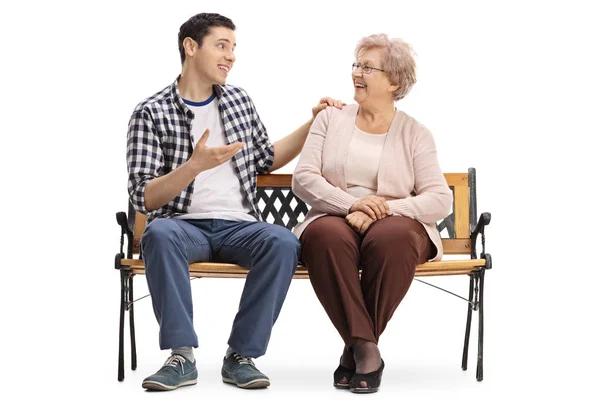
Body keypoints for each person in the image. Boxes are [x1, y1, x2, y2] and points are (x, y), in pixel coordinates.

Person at [126, 12, 342, 391]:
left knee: (283, 242)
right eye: (221, 46)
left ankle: (241, 355)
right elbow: (143, 195)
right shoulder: (150, 112)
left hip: (239, 226)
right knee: (157, 234)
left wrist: (313, 123)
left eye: (234, 48)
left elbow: (265, 159)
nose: (231, 56)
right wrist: (192, 167)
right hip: (182, 226)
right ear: (190, 47)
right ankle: (181, 356)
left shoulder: (239, 101)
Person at [292, 33, 452, 394]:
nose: (356, 74)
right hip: (335, 217)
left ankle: (356, 350)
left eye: (367, 67)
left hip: (395, 223)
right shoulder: (330, 119)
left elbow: (440, 198)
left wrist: (383, 209)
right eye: (356, 65)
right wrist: (350, 204)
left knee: (392, 238)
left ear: (394, 81)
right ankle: (366, 349)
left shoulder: (416, 133)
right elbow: (303, 178)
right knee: (324, 237)